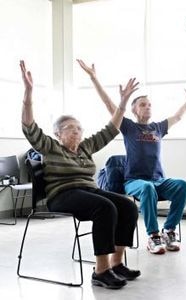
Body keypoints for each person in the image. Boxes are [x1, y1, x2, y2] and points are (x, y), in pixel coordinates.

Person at [20, 60, 141, 289]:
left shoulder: (86, 147)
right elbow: (29, 126)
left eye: (79, 128)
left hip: (88, 191)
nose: (76, 131)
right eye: (69, 128)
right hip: (62, 195)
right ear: (57, 133)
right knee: (105, 207)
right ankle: (101, 270)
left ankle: (116, 263)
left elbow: (111, 128)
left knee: (128, 206)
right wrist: (28, 94)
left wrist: (123, 102)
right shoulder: (50, 147)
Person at [77, 59, 186, 254]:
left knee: (182, 185)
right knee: (147, 187)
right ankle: (153, 236)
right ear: (135, 110)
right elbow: (110, 106)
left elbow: (178, 116)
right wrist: (94, 78)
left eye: (149, 104)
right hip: (135, 182)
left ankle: (169, 230)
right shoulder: (128, 127)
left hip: (159, 181)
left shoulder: (158, 128)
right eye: (143, 105)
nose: (148, 107)